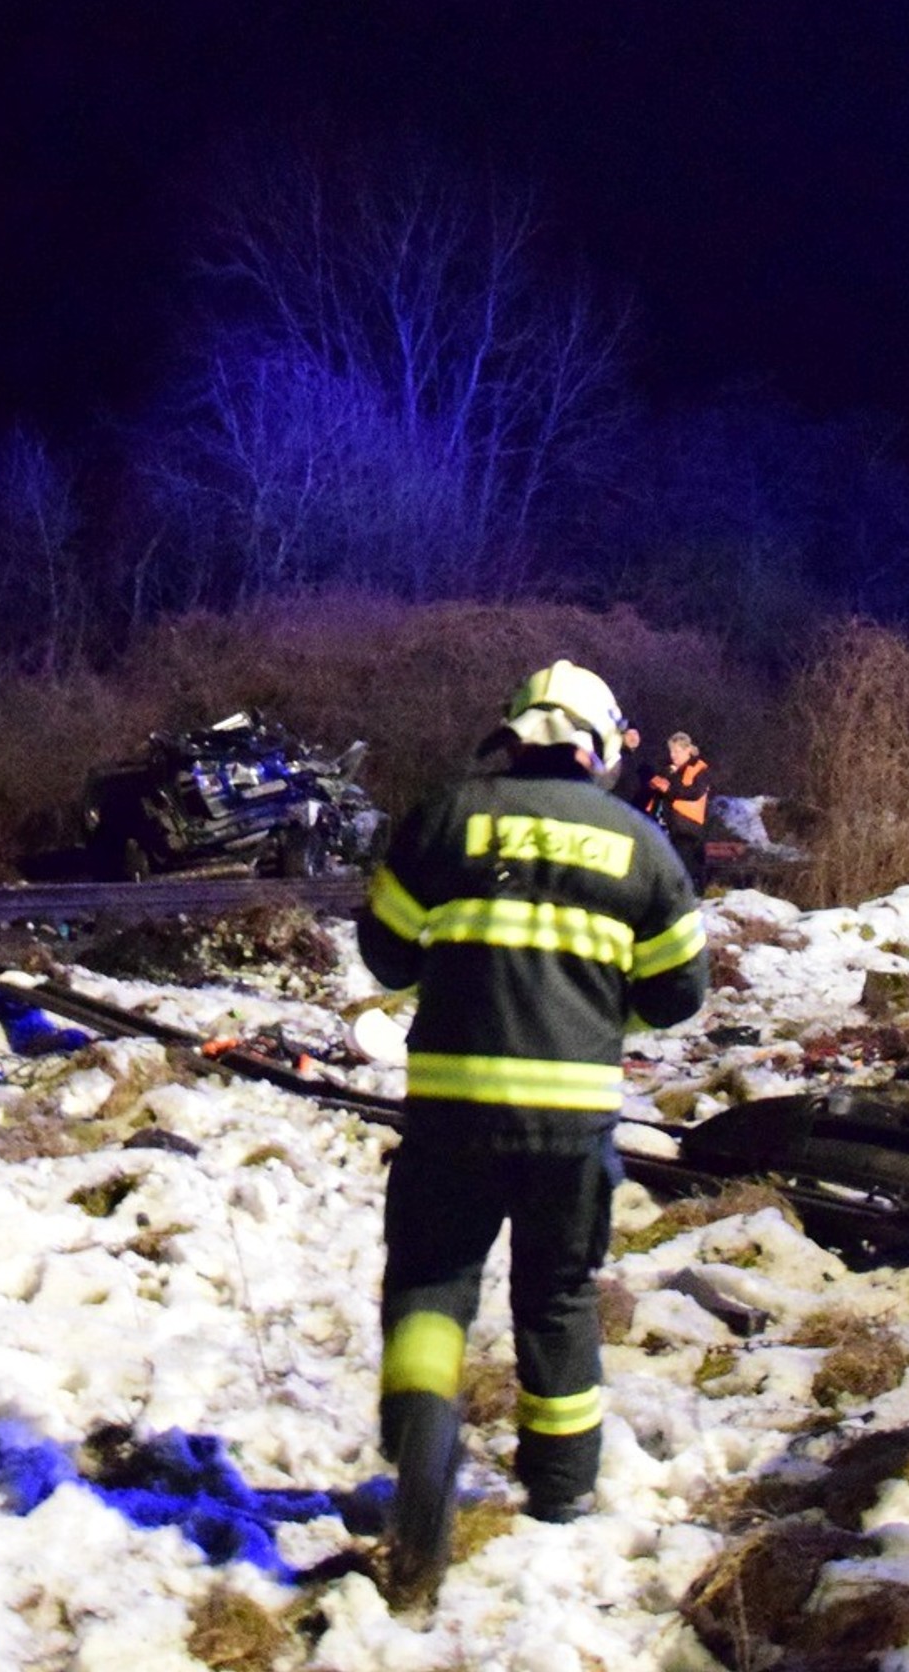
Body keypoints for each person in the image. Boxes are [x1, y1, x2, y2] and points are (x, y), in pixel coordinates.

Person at [352, 661, 709, 1601]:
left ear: (513, 732)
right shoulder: (639, 843)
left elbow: (384, 953)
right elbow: (681, 994)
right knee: (556, 1296)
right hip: (570, 1124)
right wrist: (601, 1005)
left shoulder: (443, 816)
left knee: (433, 1281)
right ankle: (555, 1499)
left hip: (450, 1115)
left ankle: (426, 1445)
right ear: (596, 746)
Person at [645, 731, 714, 888]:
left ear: (688, 750)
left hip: (687, 828)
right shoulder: (669, 769)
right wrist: (655, 784)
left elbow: (695, 792)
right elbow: (658, 792)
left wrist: (668, 788)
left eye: (677, 751)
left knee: (686, 866)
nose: (673, 755)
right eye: (671, 751)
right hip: (665, 824)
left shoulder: (699, 768)